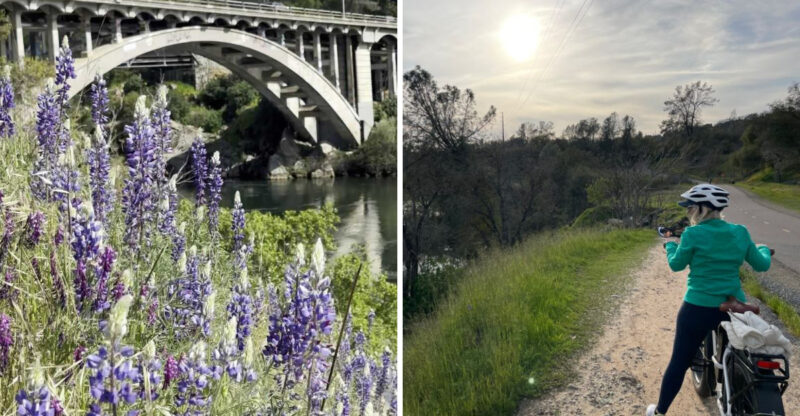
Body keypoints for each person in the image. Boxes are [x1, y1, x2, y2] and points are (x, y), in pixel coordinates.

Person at [646, 184, 772, 416]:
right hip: (734, 308)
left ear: (701, 209)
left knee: (679, 362)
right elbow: (761, 263)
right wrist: (763, 250)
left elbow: (676, 265)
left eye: (691, 208)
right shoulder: (740, 232)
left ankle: (659, 411)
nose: (689, 212)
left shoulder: (692, 234)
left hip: (697, 308)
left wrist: (671, 247)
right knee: (745, 353)